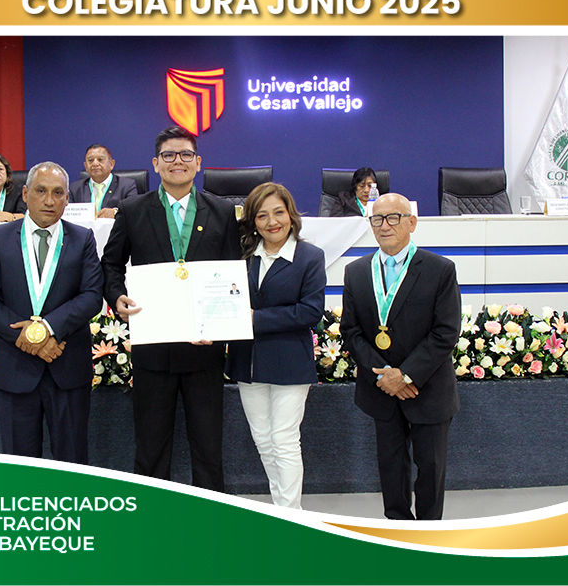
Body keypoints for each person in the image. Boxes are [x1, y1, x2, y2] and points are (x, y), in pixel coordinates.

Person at [100, 126, 241, 491]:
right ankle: (154, 514)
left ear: (198, 163)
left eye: (185, 155)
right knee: (151, 447)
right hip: (154, 349)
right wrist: (117, 296)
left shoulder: (222, 211)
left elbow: (232, 273)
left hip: (205, 350)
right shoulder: (132, 210)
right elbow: (110, 265)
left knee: (208, 448)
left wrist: (221, 327)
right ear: (155, 163)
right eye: (168, 155)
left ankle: (210, 515)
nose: (177, 161)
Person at [340, 193, 461, 520]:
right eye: (377, 219)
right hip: (381, 389)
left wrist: (405, 375)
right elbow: (351, 330)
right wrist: (385, 375)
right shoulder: (356, 272)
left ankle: (428, 535)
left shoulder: (440, 269)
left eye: (393, 217)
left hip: (427, 388)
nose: (385, 226)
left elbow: (446, 332)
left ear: (412, 222)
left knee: (431, 468)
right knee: (391, 466)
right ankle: (397, 529)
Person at [0, 162, 104, 462]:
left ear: (67, 199)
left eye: (58, 193)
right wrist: (28, 339)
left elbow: (91, 297)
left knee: (72, 464)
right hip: (16, 369)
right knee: (20, 468)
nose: (49, 200)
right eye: (41, 191)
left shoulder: (82, 238)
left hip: (67, 367)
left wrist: (46, 329)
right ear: (25, 194)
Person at [225, 182, 325, 509]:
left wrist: (256, 318)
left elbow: (310, 311)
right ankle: (283, 507)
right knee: (263, 441)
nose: (272, 222)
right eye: (262, 215)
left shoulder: (310, 256)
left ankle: (290, 516)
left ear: (291, 215)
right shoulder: (241, 256)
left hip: (290, 360)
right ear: (252, 221)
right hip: (248, 360)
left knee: (284, 440)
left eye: (278, 212)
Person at [69, 144, 139, 219]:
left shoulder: (127, 186)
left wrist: (115, 213)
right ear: (85, 166)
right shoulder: (75, 188)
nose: (95, 163)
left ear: (111, 164)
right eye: (90, 160)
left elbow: (134, 211)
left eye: (100, 160)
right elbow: (67, 214)